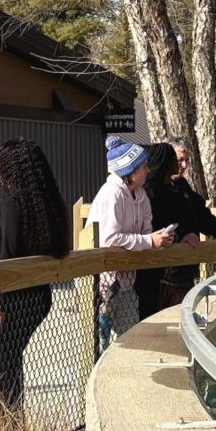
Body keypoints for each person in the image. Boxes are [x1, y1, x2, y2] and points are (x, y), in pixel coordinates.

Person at [0, 138, 71, 424]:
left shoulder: (13, 204)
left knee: (0, 365)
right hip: (38, 297)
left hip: (11, 299)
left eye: (0, 165)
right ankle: (12, 426)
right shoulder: (45, 205)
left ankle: (4, 429)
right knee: (10, 362)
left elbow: (8, 260)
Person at [136, 139, 216, 318]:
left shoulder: (182, 187)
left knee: (181, 320)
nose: (183, 165)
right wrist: (181, 236)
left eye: (186, 161)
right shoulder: (151, 192)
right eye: (179, 160)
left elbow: (203, 217)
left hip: (184, 269)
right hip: (161, 274)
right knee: (162, 321)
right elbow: (152, 227)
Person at [87, 138, 174, 346]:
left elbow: (145, 232)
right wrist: (149, 240)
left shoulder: (141, 195)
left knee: (130, 335)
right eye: (143, 166)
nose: (148, 170)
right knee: (101, 339)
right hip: (103, 281)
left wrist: (159, 238)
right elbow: (110, 238)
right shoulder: (112, 194)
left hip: (127, 279)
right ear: (130, 170)